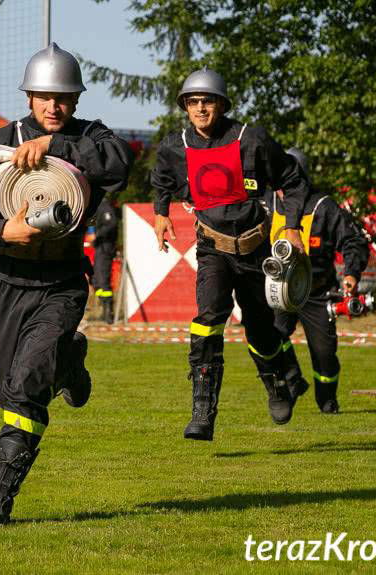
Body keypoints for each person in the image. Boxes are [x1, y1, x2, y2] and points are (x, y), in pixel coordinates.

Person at [0, 43, 132, 525]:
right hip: (6, 282)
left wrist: (57, 147)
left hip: (62, 285)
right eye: (44, 96)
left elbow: (119, 164)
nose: (53, 106)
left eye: (63, 97)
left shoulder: (91, 138)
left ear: (76, 100)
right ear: (28, 97)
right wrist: (2, 231)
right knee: (6, 390)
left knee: (25, 389)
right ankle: (69, 362)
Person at [152, 67, 309, 441]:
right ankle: (202, 414)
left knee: (260, 330)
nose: (200, 109)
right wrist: (160, 213)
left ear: (221, 105)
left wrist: (290, 226)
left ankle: (276, 383)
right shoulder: (176, 146)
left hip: (257, 250)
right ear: (185, 107)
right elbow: (161, 178)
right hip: (212, 250)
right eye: (193, 102)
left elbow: (293, 179)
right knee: (208, 318)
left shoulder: (251, 140)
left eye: (207, 101)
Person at [269, 148, 370, 414]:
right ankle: (292, 380)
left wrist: (351, 274)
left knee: (324, 353)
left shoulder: (323, 206)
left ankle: (326, 400)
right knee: (269, 336)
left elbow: (353, 241)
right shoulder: (267, 202)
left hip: (318, 292)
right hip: (280, 289)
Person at [92, 196, 118, 323]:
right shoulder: (100, 206)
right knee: (96, 281)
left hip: (105, 247)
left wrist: (98, 235)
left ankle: (109, 313)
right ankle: (104, 310)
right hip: (100, 247)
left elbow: (111, 223)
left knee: (103, 280)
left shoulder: (104, 206)